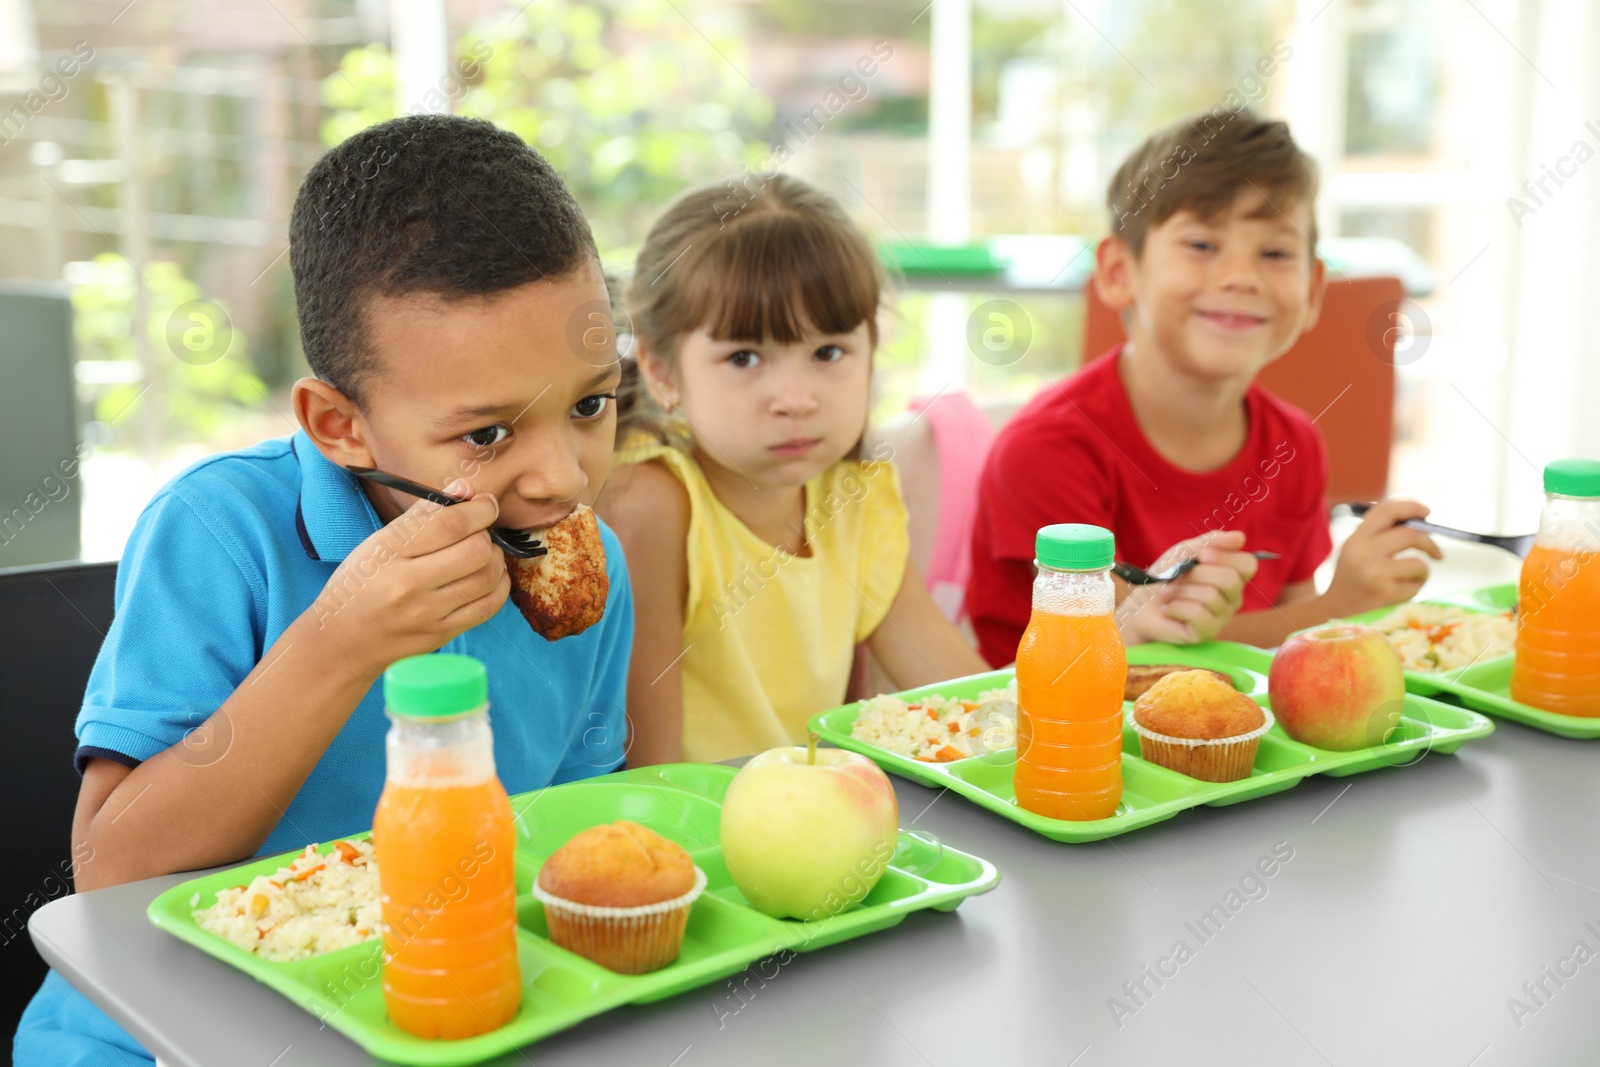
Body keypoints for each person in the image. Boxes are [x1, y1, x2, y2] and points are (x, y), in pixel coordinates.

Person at [15, 114, 635, 1065]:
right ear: (339, 424)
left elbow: (571, 836)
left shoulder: (595, 571)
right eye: (486, 435)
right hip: (154, 1038)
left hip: (432, 1022)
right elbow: (110, 870)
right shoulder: (219, 534)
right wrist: (339, 642)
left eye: (590, 404)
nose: (560, 477)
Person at [969, 109, 1440, 665]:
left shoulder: (1296, 445)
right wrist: (1340, 608)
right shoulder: (1048, 448)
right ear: (1120, 273)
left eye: (1275, 253)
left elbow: (1287, 659)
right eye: (1201, 245)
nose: (1241, 277)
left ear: (1314, 291)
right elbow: (1134, 655)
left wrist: (1341, 608)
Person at [596, 174, 991, 765]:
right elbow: (654, 774)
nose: (795, 397)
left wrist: (1108, 645)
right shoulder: (649, 503)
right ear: (662, 370)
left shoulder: (855, 496)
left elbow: (977, 708)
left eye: (828, 352)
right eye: (745, 357)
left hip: (821, 832)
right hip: (699, 843)